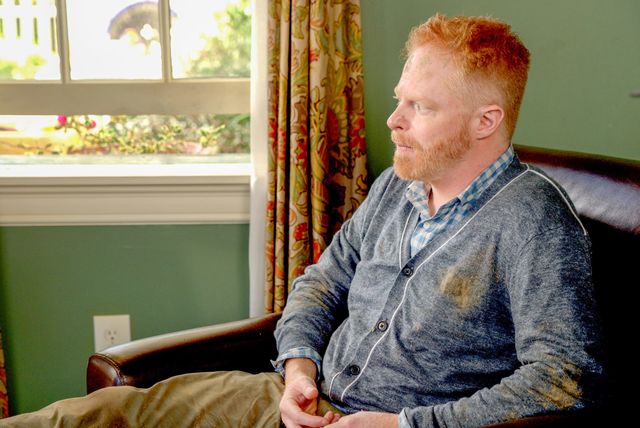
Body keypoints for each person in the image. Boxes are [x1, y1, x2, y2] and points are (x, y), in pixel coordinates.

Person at [0, 14, 603, 428]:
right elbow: (323, 282)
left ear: (485, 120)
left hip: (391, 423)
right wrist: (297, 368)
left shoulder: (535, 222)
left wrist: (406, 425)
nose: (393, 120)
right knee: (97, 417)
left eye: (419, 107)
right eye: (400, 98)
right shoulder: (397, 186)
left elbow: (563, 377)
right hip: (294, 403)